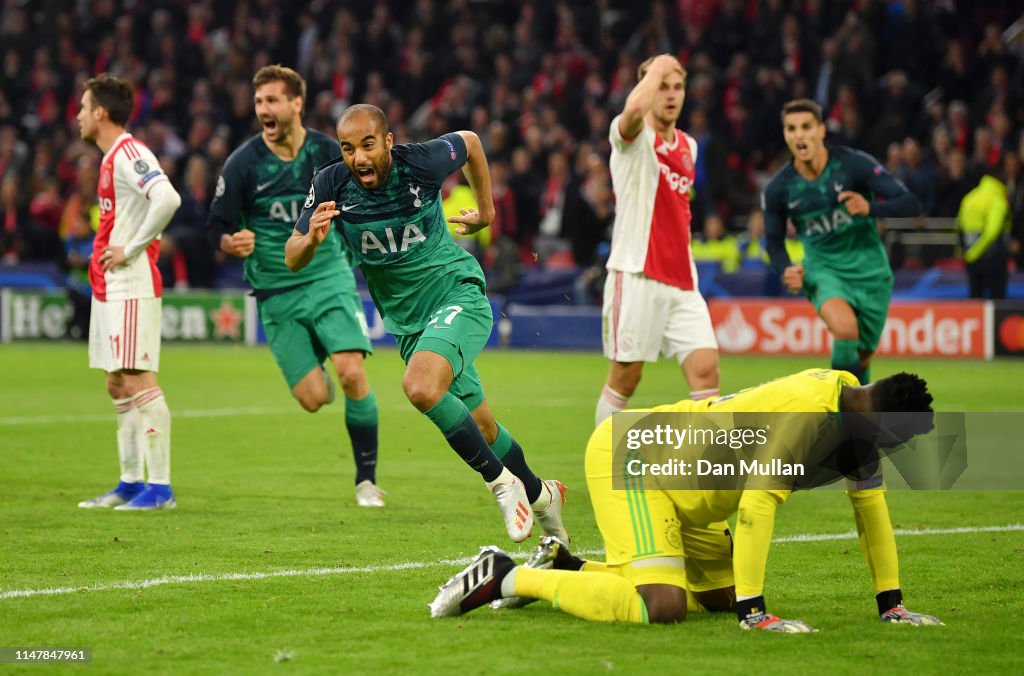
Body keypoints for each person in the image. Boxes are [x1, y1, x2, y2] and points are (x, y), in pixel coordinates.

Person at [431, 369, 943, 632]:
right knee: (663, 606)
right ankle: (505, 575)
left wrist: (892, 606)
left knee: (717, 599)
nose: (886, 455)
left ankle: (568, 565)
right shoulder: (806, 420)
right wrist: (756, 613)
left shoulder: (851, 402)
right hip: (634, 459)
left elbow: (870, 511)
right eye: (892, 443)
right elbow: (756, 509)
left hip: (687, 490)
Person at [286, 104, 567, 543]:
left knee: (419, 386)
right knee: (484, 427)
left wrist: (487, 213)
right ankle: (544, 496)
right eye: (347, 148)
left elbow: (471, 142)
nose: (358, 157)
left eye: (367, 145)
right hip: (410, 324)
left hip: (457, 294)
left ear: (388, 142)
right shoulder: (330, 183)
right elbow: (292, 254)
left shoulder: (421, 162)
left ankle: (501, 483)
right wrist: (311, 241)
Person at [206, 66, 384, 507]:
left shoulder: (328, 152)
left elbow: (365, 195)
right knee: (313, 397)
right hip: (275, 291)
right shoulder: (243, 164)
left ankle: (366, 482)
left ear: (296, 104)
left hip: (328, 275)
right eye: (260, 101)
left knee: (352, 373)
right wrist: (230, 241)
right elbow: (216, 225)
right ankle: (319, 351)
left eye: (272, 100)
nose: (263, 109)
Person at [75, 74, 182, 511]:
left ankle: (160, 488)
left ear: (101, 112)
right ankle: (130, 481)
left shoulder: (130, 152)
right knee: (117, 382)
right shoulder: (111, 158)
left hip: (132, 284)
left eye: (83, 107)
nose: (78, 115)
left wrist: (132, 247)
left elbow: (167, 198)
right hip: (109, 286)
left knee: (138, 378)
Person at [596, 54, 720, 427]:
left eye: (677, 87)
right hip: (636, 275)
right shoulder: (631, 137)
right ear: (646, 89)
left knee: (706, 372)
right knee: (625, 379)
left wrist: (662, 69)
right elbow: (634, 107)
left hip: (683, 281)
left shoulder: (689, 146)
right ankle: (608, 470)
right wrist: (659, 66)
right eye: (661, 86)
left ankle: (715, 475)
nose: (670, 95)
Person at [763, 99, 923, 383]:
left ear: (822, 130)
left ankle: (855, 411)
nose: (799, 135)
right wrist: (785, 268)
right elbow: (773, 242)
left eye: (806, 127)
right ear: (785, 135)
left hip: (871, 271)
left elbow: (910, 204)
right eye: (791, 129)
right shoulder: (778, 189)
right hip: (823, 271)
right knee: (846, 330)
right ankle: (843, 417)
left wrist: (870, 208)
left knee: (860, 355)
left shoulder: (853, 165)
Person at [957, 168, 1010, 300]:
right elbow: (993, 231)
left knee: (975, 299)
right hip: (993, 258)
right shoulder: (998, 200)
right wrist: (976, 252)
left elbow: (958, 226)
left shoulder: (970, 197)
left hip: (971, 259)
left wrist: (965, 253)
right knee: (997, 300)